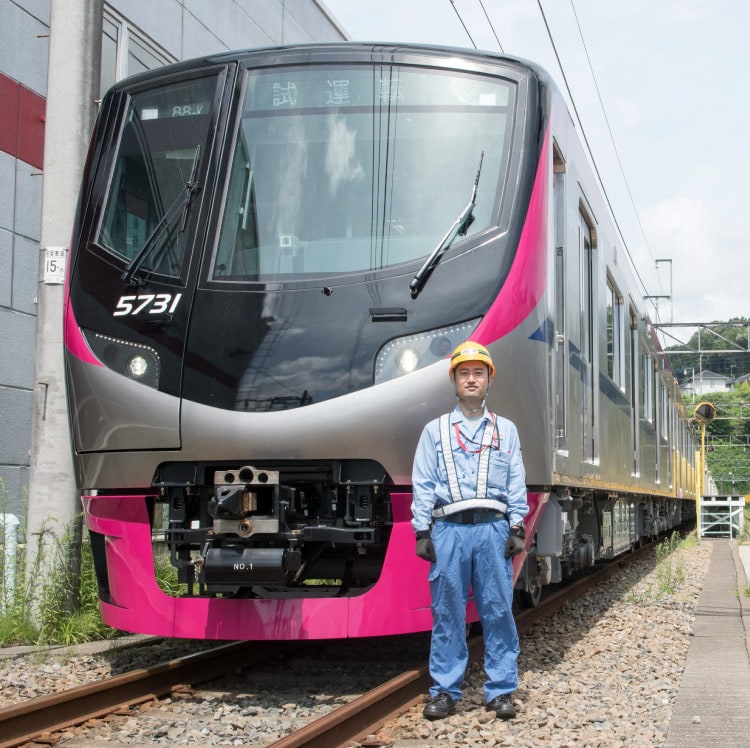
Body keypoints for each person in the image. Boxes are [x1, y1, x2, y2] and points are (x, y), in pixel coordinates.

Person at [411, 340, 528, 721]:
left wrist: (516, 526)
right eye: (464, 373)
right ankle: (445, 691)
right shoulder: (435, 431)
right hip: (448, 530)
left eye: (479, 372)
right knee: (448, 613)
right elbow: (423, 482)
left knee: (497, 611)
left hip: (493, 530)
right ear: (455, 381)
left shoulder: (505, 430)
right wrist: (422, 531)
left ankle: (501, 690)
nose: (471, 379)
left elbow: (515, 481)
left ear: (489, 379)